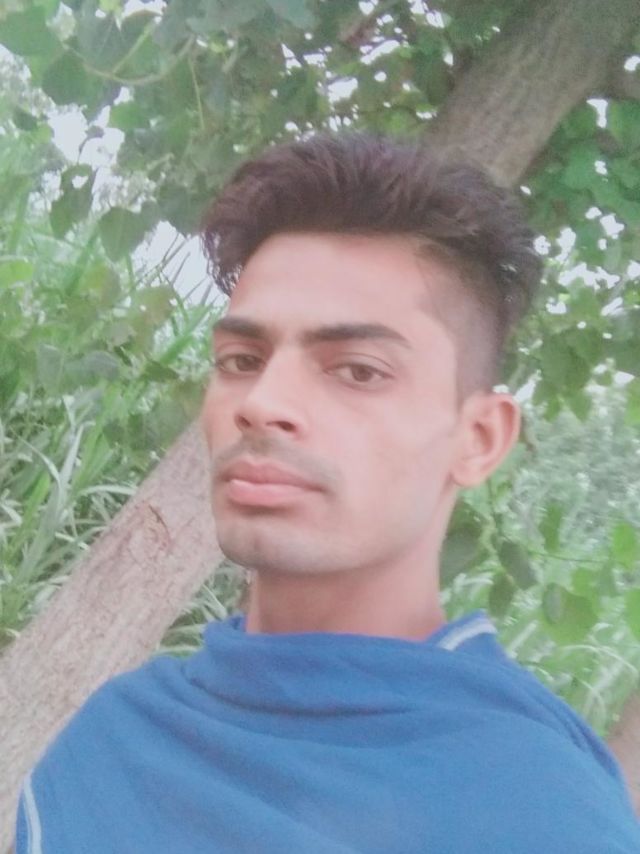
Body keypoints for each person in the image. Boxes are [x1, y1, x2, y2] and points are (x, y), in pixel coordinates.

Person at [15, 133, 640, 853]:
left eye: (358, 370)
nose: (263, 402)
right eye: (241, 359)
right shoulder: (111, 739)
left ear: (478, 439)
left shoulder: (538, 812)